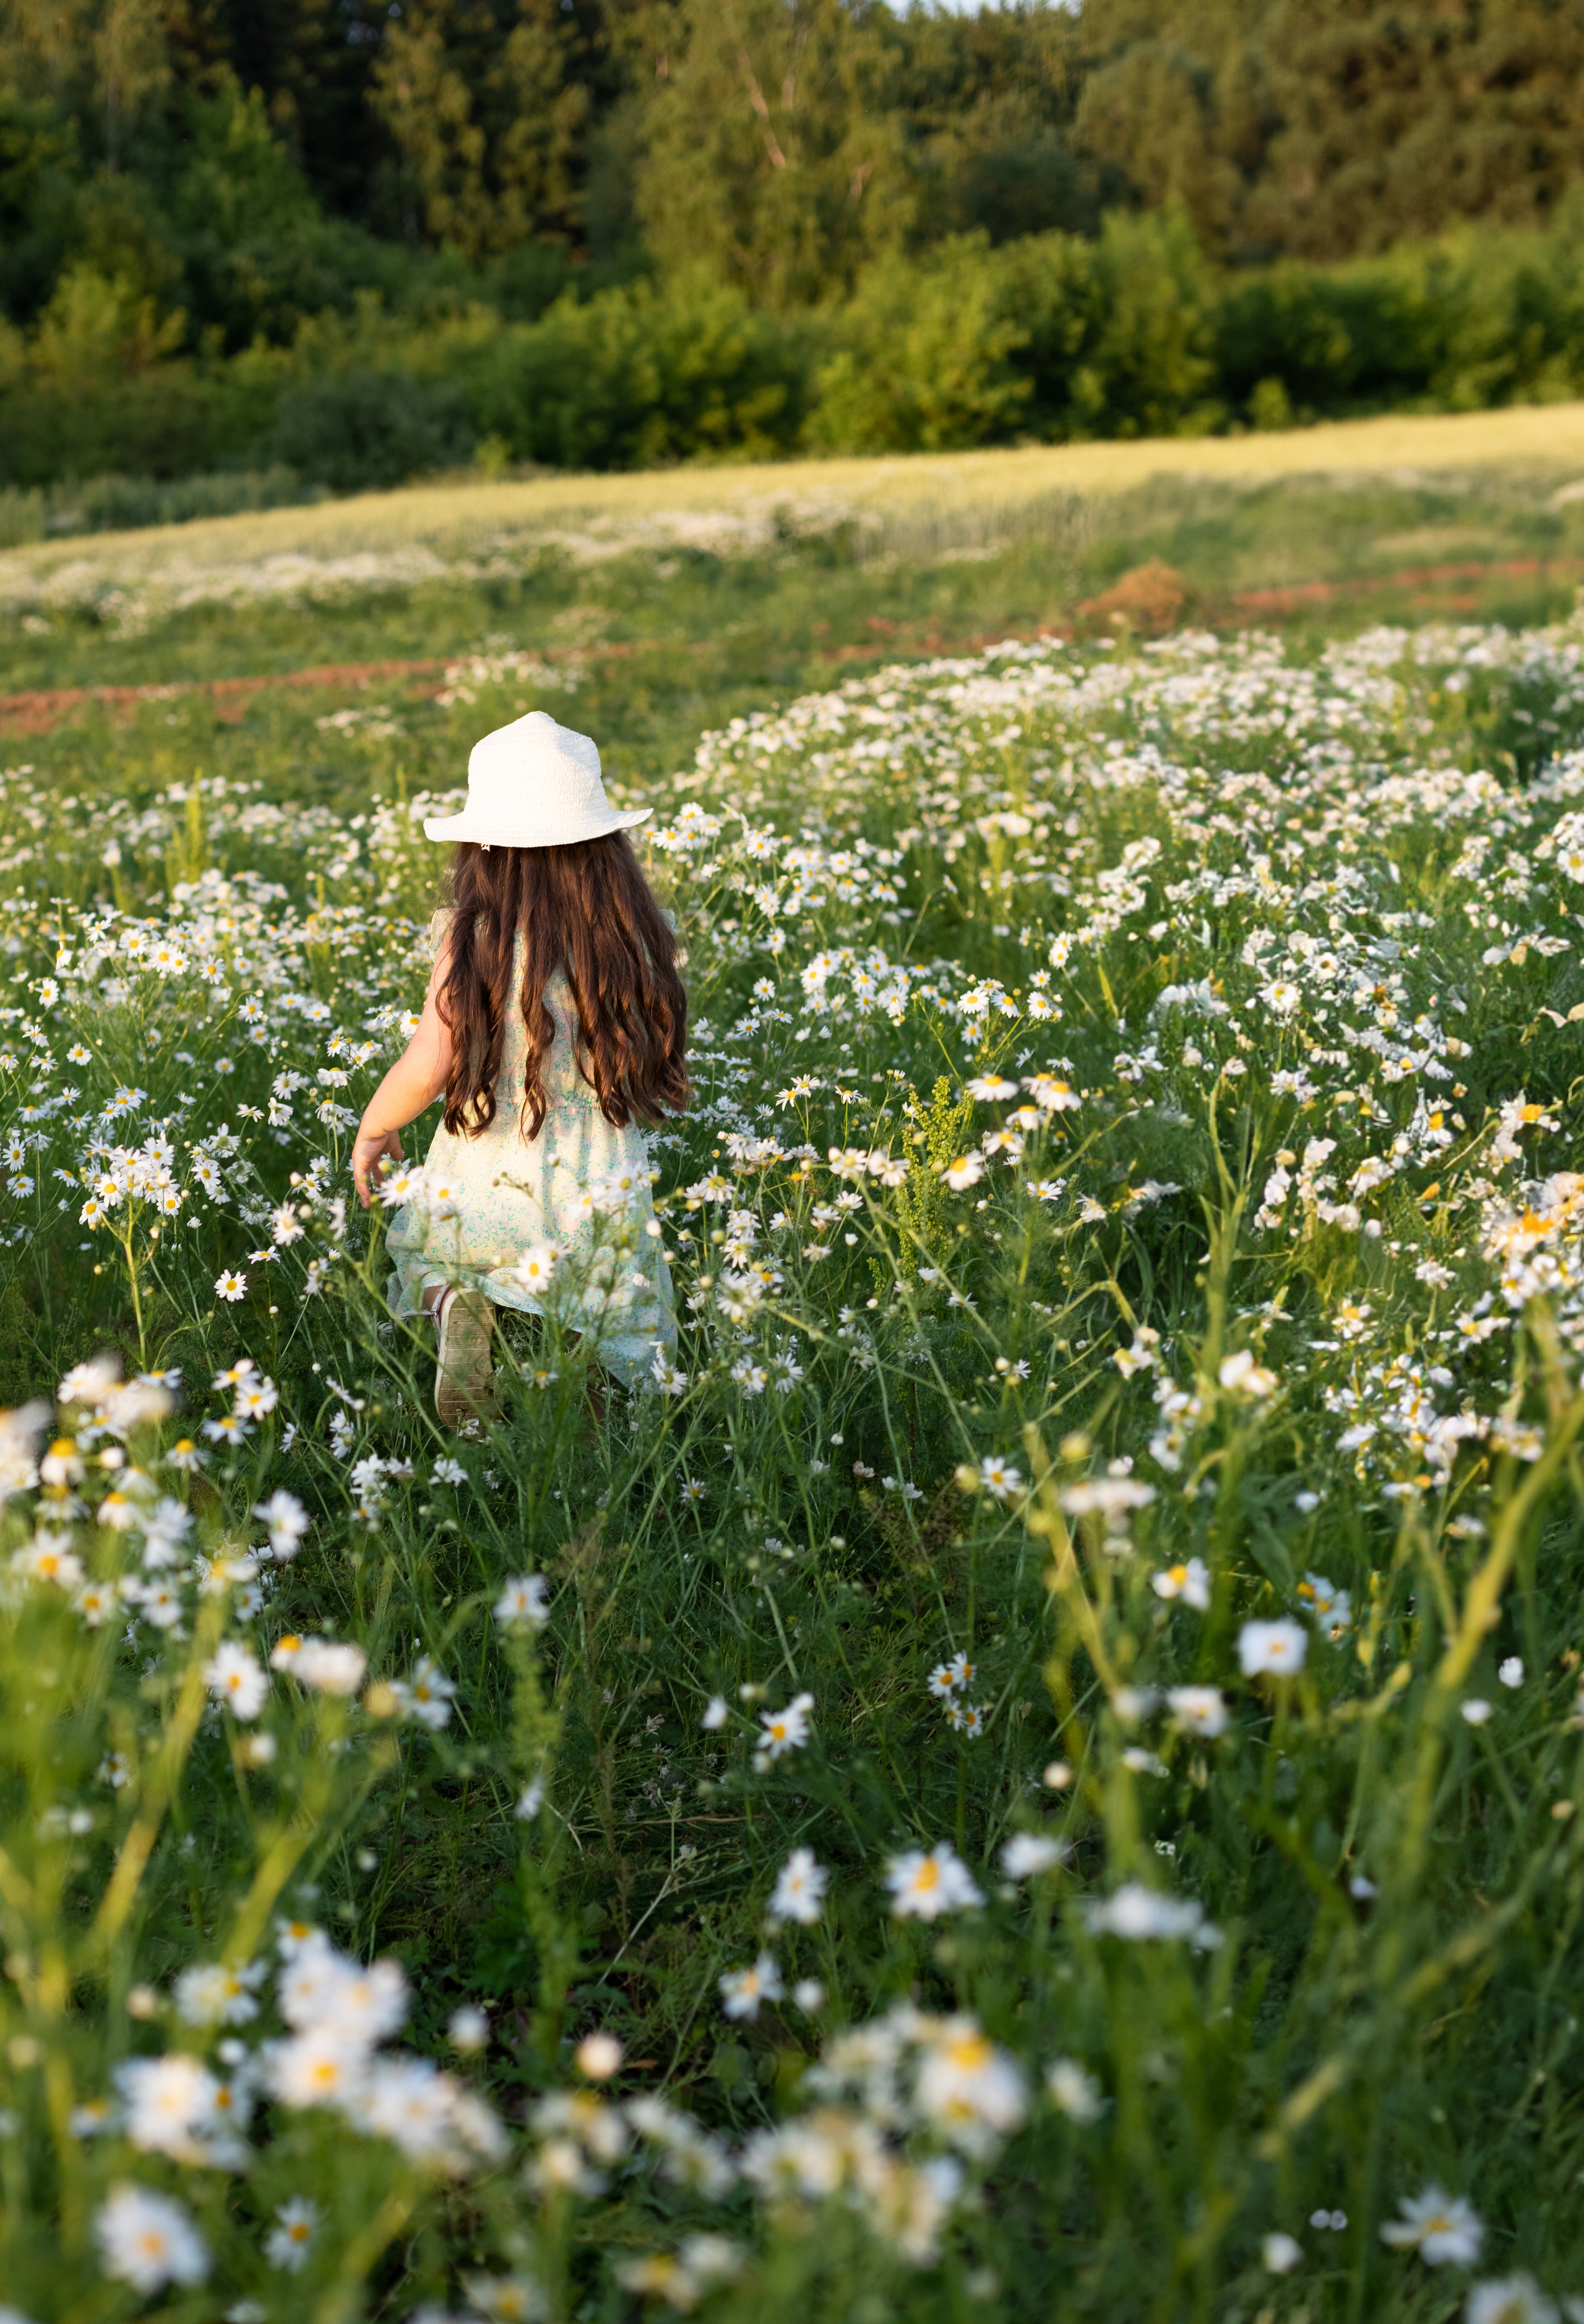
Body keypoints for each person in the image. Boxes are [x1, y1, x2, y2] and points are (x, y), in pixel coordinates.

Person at [350, 710, 689, 1423]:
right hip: (594, 1179)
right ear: (606, 845)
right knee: (598, 1307)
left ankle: (460, 1310)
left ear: (483, 844)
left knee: (434, 1264)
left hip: (484, 1170)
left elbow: (430, 1059)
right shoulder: (626, 935)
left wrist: (375, 1125)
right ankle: (589, 1419)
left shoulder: (473, 936)